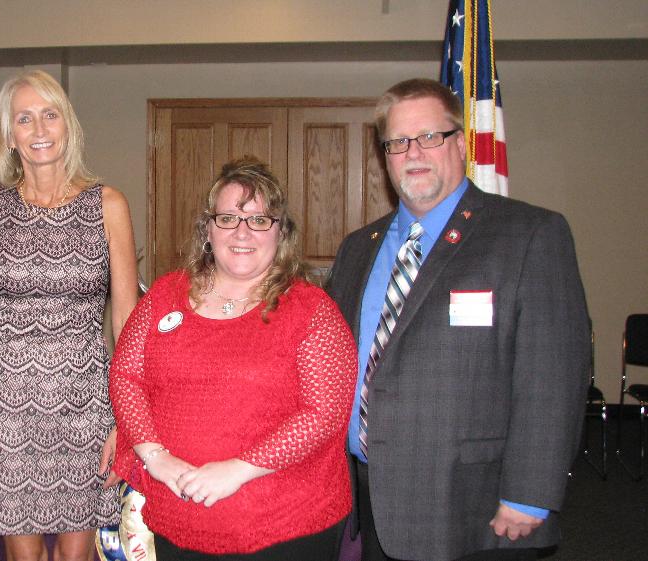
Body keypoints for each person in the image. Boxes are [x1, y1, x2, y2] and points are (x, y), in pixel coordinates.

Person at [326, 78, 589, 561]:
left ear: (461, 144)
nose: (414, 153)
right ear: (385, 155)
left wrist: (530, 491)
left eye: (430, 136)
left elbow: (554, 374)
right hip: (370, 497)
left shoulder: (528, 234)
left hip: (476, 507)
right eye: (398, 142)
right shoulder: (357, 248)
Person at [109, 157, 357, 560]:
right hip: (180, 512)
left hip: (285, 526)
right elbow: (126, 376)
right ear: (207, 229)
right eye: (227, 218)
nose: (242, 232)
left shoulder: (312, 309)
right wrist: (155, 456)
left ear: (281, 232)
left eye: (260, 220)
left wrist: (239, 469)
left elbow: (324, 413)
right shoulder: (165, 295)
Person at [0, 69, 139, 561]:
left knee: (76, 556)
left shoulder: (108, 205)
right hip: (9, 410)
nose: (39, 129)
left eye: (50, 115)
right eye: (24, 118)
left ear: (68, 126)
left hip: (86, 405)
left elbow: (126, 320)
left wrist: (124, 419)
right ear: (9, 134)